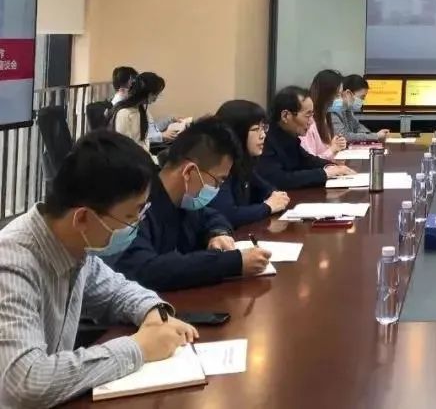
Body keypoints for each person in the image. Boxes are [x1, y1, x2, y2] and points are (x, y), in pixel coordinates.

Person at [0, 131, 200, 407]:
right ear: (83, 218)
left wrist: (153, 311)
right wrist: (139, 348)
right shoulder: (12, 264)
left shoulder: (73, 246)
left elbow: (116, 291)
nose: (136, 225)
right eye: (130, 216)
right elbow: (26, 383)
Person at [109, 118, 274, 292]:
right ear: (189, 172)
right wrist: (233, 263)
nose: (217, 189)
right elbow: (146, 270)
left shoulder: (184, 203)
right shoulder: (136, 206)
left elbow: (213, 216)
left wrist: (218, 234)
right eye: (217, 181)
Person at [211, 100, 290, 228]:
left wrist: (275, 198)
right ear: (236, 133)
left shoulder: (245, 161)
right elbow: (228, 214)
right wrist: (267, 207)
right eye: (256, 129)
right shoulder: (218, 165)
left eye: (263, 128)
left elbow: (269, 190)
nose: (263, 135)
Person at [258, 86, 355, 190]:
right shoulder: (265, 139)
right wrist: (325, 173)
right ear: (285, 116)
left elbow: (307, 160)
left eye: (312, 115)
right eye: (307, 115)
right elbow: (278, 179)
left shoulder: (289, 136)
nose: (311, 121)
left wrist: (332, 166)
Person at [301, 70, 349, 160]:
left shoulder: (326, 117)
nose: (341, 100)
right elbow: (309, 162)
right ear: (325, 95)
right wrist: (332, 150)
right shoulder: (309, 123)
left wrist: (336, 146)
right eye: (337, 95)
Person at [331, 75, 389, 144]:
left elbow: (357, 127)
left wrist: (373, 135)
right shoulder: (333, 111)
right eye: (362, 97)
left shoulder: (347, 109)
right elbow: (345, 136)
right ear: (348, 93)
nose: (362, 101)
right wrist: (375, 136)